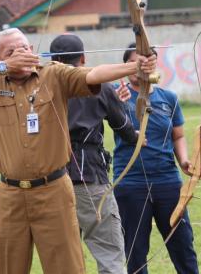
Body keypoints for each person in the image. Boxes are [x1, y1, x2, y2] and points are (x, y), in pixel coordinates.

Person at [0, 28, 156, 274]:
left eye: (26, 48)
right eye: (12, 51)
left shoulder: (53, 74)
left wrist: (134, 68)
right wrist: (5, 67)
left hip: (53, 191)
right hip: (10, 195)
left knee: (65, 267)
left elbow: (93, 75)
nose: (23, 54)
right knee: (8, 267)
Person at [49, 34, 140, 274]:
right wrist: (138, 136)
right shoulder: (100, 87)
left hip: (49, 180)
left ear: (52, 60)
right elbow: (125, 130)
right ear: (83, 58)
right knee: (109, 251)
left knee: (62, 258)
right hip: (87, 177)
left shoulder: (41, 86)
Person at [113, 43, 199, 274]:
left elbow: (178, 135)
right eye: (135, 63)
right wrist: (116, 101)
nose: (141, 67)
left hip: (167, 181)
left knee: (182, 243)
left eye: (146, 62)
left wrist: (183, 160)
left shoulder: (168, 97)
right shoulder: (116, 93)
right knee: (135, 249)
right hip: (130, 182)